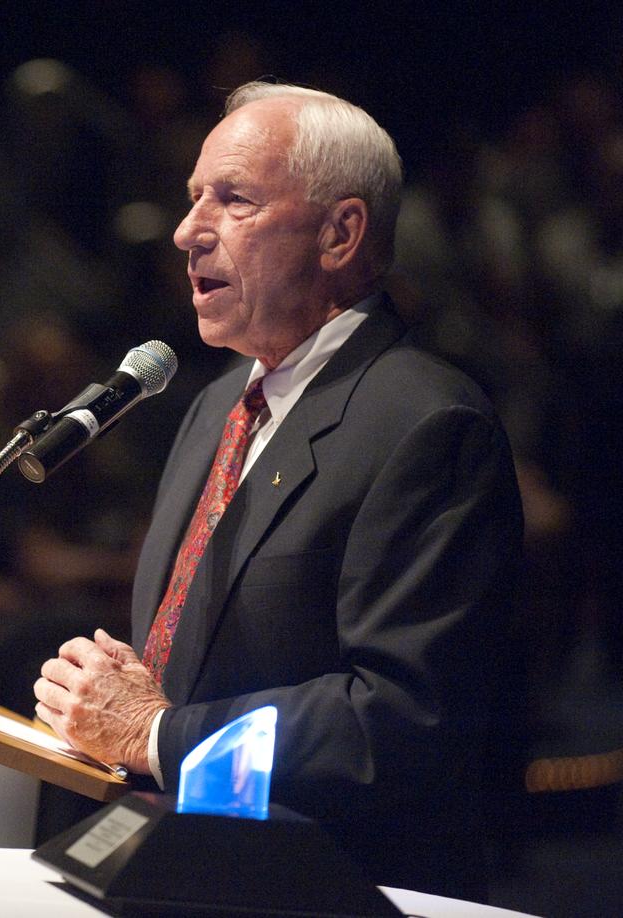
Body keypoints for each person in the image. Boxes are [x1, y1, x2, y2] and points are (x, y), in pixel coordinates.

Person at [32, 81, 524, 900]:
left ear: (341, 233)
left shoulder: (429, 426)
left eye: (234, 200)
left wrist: (155, 734)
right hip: (182, 870)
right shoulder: (215, 404)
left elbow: (395, 723)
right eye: (195, 200)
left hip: (332, 890)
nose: (190, 231)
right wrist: (115, 693)